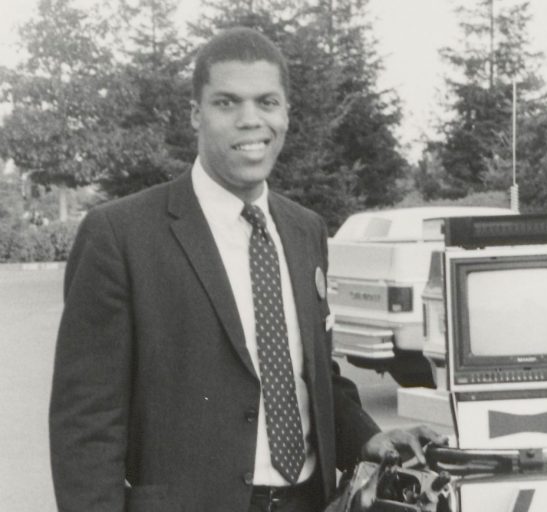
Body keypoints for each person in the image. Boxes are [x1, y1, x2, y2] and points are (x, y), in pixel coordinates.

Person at [49, 27, 443, 512]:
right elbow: (86, 423)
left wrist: (368, 436)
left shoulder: (306, 231)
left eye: (267, 102)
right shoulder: (119, 235)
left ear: (286, 114)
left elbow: (311, 374)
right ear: (196, 114)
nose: (250, 120)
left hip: (309, 501)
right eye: (227, 103)